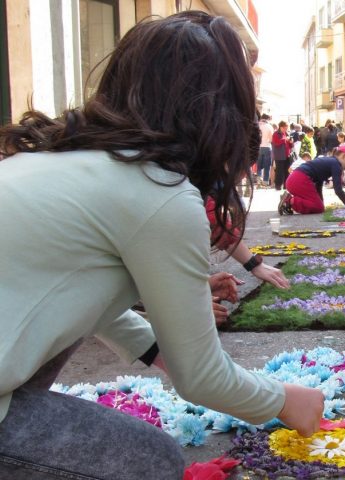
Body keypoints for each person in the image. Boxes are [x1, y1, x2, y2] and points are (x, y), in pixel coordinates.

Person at [0, 11, 324, 479]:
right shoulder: (159, 193)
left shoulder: (58, 159)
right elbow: (202, 379)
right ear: (222, 111)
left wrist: (157, 351)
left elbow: (74, 290)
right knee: (153, 462)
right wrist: (286, 400)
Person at [279, 145, 345, 215]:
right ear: (343, 156)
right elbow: (338, 190)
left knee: (319, 206)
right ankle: (289, 201)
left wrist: (321, 202)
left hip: (293, 179)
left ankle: (289, 200)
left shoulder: (329, 161)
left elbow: (318, 185)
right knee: (318, 207)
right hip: (300, 180)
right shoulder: (336, 164)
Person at [272, 120, 292, 189]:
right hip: (279, 156)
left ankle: (286, 185)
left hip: (287, 155)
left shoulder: (286, 133)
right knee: (279, 171)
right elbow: (276, 143)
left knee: (287, 171)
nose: (286, 129)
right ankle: (278, 185)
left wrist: (290, 142)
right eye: (285, 128)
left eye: (287, 128)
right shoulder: (276, 134)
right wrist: (285, 139)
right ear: (281, 127)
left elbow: (290, 145)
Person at [256, 113, 274, 186]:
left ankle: (258, 178)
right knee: (267, 165)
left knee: (259, 164)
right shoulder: (269, 126)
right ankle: (265, 181)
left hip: (258, 147)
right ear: (268, 119)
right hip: (267, 147)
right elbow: (271, 139)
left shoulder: (257, 125)